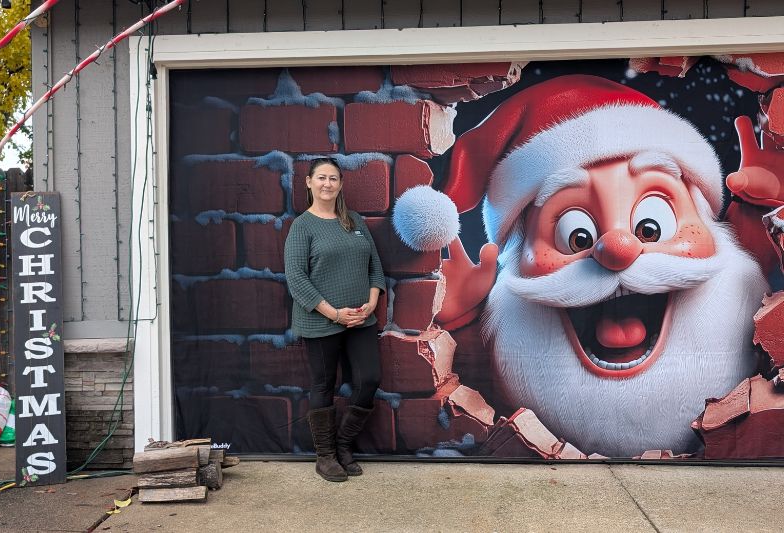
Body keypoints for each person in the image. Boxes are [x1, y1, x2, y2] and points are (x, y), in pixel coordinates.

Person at [391, 74, 784, 457]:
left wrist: (759, 209)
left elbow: (754, 273)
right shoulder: (508, 330)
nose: (618, 248)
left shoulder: (733, 277)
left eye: (651, 227)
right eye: (576, 236)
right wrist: (460, 319)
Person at [284, 157, 385, 481]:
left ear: (340, 185)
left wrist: (371, 303)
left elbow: (375, 268)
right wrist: (333, 313)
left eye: (333, 179)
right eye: (321, 178)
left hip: (360, 320)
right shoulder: (302, 226)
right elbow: (296, 277)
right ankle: (325, 456)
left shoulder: (353, 221)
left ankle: (342, 444)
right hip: (321, 321)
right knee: (323, 385)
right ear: (309, 183)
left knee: (369, 379)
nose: (327, 184)